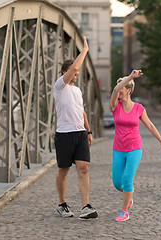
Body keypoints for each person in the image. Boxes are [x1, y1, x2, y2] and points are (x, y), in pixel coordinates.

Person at [110, 70, 161, 221]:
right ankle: (128, 195)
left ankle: (124, 211)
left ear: (128, 90)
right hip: (118, 148)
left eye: (122, 88)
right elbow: (116, 90)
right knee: (118, 183)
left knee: (127, 179)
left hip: (135, 148)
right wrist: (129, 77)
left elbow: (149, 125)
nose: (118, 91)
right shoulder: (115, 106)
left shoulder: (139, 108)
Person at [53, 36, 98, 219]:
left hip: (79, 133)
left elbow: (82, 112)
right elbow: (74, 68)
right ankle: (62, 204)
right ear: (65, 72)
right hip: (64, 134)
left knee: (84, 168)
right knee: (64, 170)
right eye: (73, 72)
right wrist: (85, 50)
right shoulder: (59, 86)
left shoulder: (77, 91)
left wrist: (88, 131)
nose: (76, 75)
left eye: (78, 73)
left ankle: (85, 206)